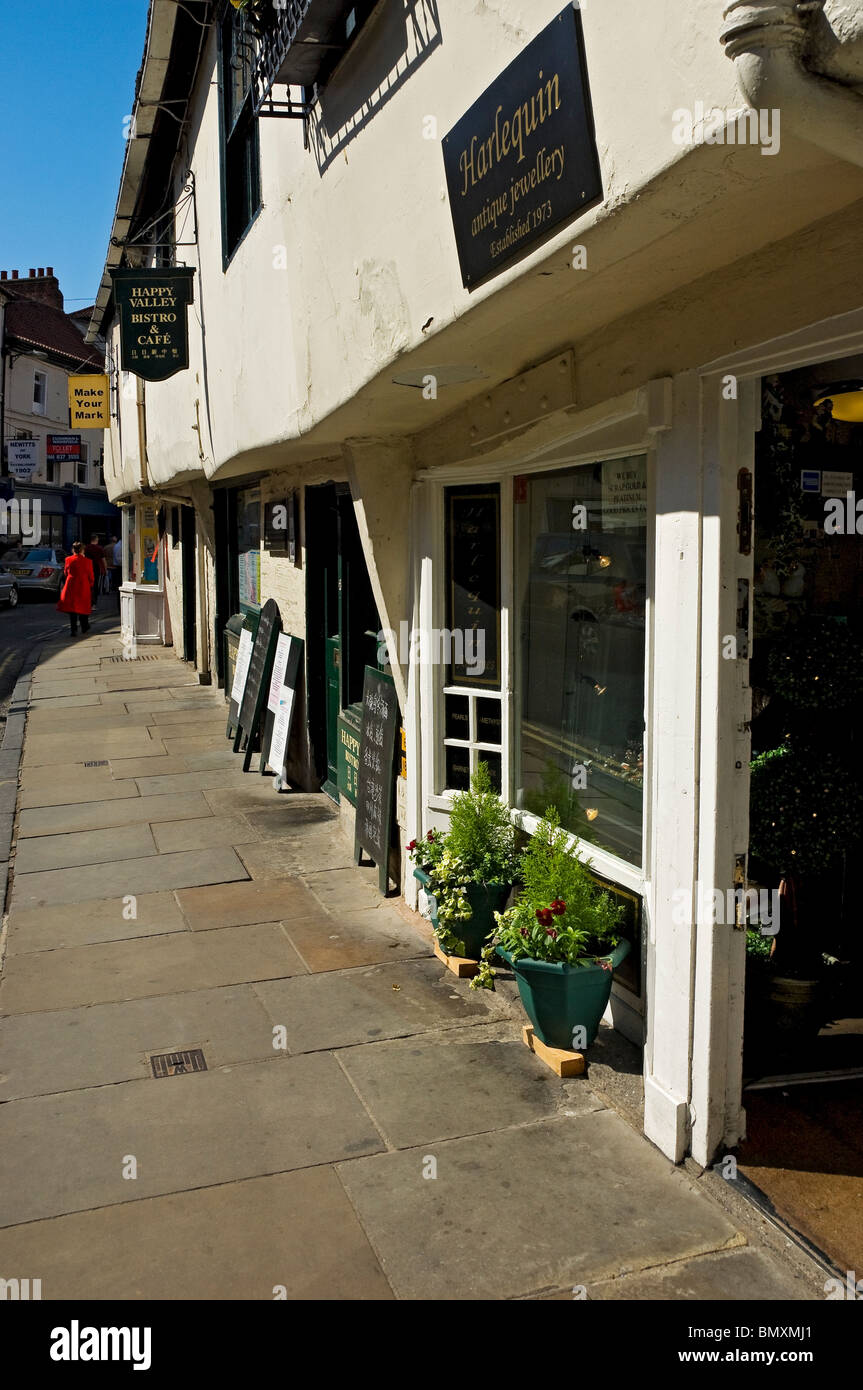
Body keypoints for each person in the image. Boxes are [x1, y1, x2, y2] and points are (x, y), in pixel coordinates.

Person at [57, 542, 94, 637]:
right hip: (83, 585)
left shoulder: (68, 559)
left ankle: (73, 630)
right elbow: (91, 576)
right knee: (83, 607)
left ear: (73, 550)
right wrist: (90, 584)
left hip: (71, 585)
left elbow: (65, 572)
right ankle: (84, 626)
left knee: (72, 609)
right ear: (82, 550)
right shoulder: (87, 561)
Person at [84, 534, 107, 605]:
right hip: (96, 568)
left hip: (87, 568)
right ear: (96, 539)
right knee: (95, 585)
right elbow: (103, 560)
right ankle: (93, 602)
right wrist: (105, 569)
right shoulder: (99, 548)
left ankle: (87, 600)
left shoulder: (86, 548)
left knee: (87, 585)